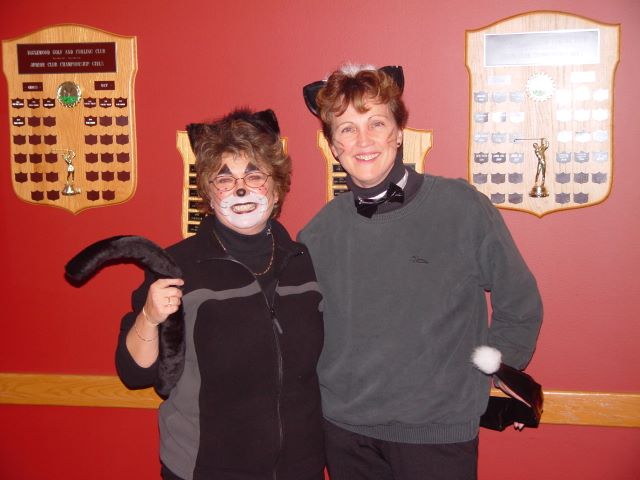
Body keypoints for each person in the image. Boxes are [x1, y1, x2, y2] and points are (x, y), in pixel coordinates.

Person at [299, 64, 543, 480]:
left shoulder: (460, 207)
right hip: (344, 433)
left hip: (438, 433)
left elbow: (519, 301)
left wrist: (501, 368)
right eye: (347, 129)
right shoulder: (318, 233)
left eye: (377, 123)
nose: (363, 141)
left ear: (398, 133)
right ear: (333, 146)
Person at [116, 108, 325, 480]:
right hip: (206, 468)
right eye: (224, 179)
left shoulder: (306, 262)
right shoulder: (176, 267)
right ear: (209, 195)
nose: (241, 188)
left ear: (277, 189)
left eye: (254, 176)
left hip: (299, 467)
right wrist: (149, 318)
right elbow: (135, 373)